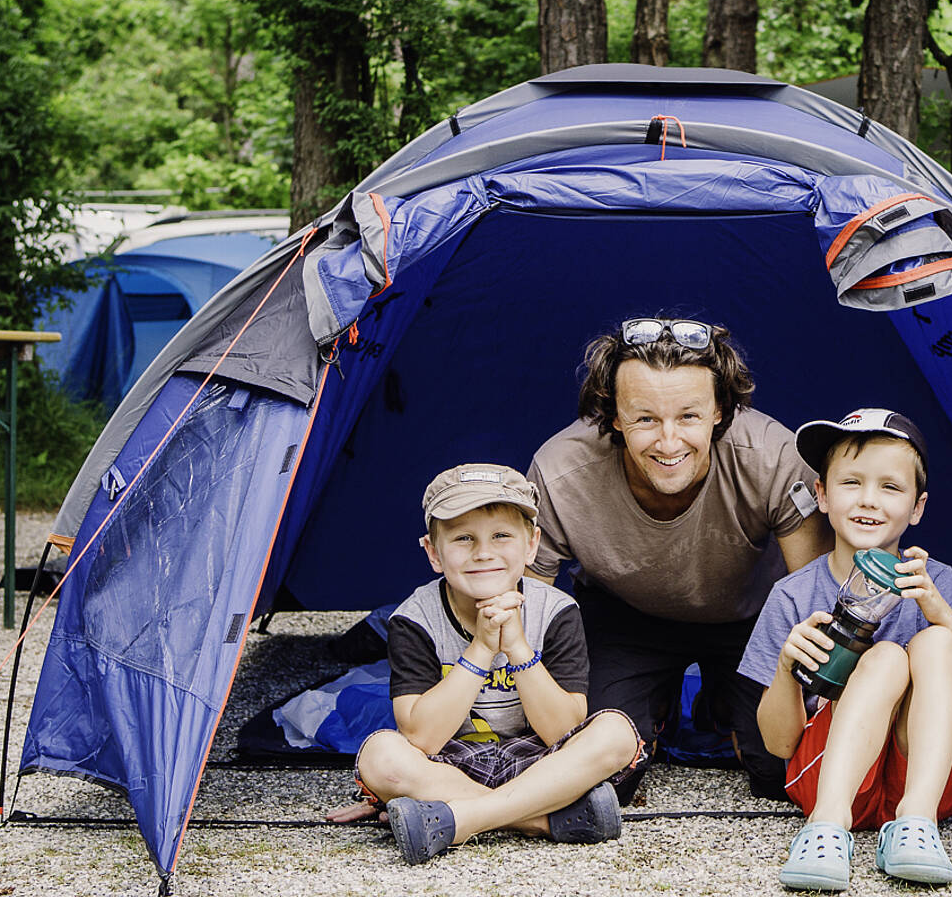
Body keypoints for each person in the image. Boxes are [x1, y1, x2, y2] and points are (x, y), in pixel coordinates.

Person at [526, 317, 832, 799]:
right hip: (626, 615)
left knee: (783, 773)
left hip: (752, 616)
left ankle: (723, 703)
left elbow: (817, 591)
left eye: (688, 416)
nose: (669, 442)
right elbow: (529, 612)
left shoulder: (773, 454)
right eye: (645, 418)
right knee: (603, 776)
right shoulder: (562, 469)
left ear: (719, 410)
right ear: (612, 416)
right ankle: (657, 703)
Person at [737, 408, 952, 891]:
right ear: (821, 495)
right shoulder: (794, 595)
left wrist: (939, 610)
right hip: (827, 783)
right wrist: (785, 668)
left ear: (917, 507)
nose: (868, 500)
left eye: (890, 487)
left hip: (919, 786)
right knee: (883, 657)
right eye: (851, 483)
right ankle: (826, 827)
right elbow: (778, 746)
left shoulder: (936, 582)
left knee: (937, 641)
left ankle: (915, 825)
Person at [334, 463, 645, 864]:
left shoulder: (556, 611)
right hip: (449, 763)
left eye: (501, 536)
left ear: (531, 545)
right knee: (381, 754)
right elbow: (421, 738)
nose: (484, 553)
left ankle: (460, 818)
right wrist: (481, 648)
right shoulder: (415, 618)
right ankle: (545, 820)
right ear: (433, 552)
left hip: (540, 762)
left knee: (616, 731)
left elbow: (564, 730)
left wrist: (516, 647)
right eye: (463, 538)